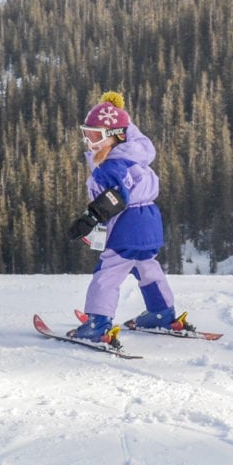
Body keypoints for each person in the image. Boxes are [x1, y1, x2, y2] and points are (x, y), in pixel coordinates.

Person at [66, 91, 180, 341]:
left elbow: (117, 196)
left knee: (109, 272)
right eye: (87, 134)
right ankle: (161, 312)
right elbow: (130, 131)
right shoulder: (134, 154)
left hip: (126, 224)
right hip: (150, 220)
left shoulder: (112, 165)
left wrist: (90, 217)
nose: (90, 141)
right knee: (147, 267)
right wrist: (114, 108)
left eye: (96, 136)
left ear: (116, 137)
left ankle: (98, 322)